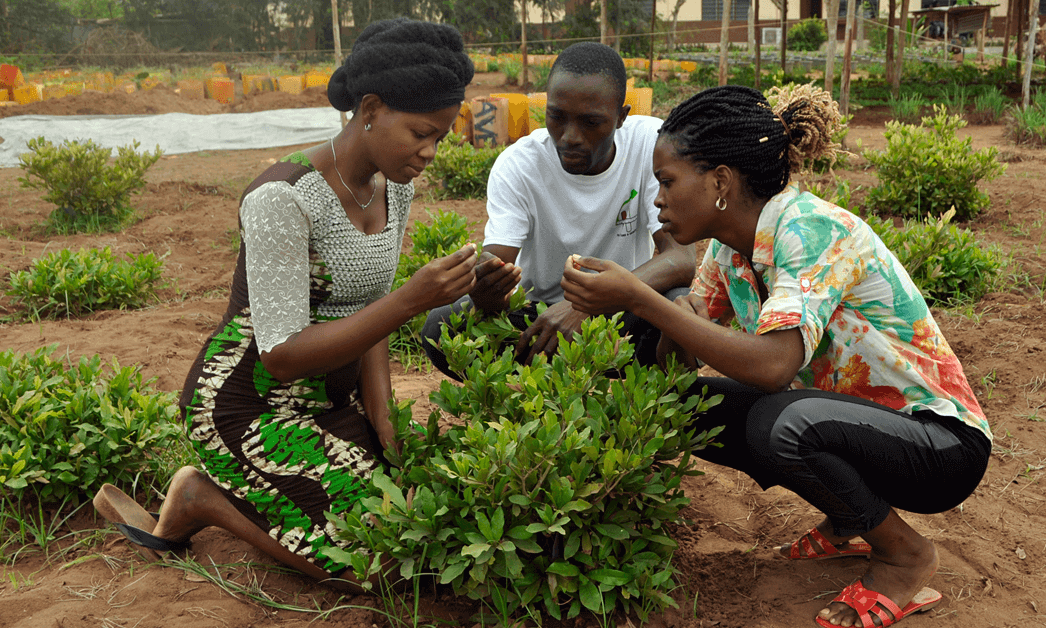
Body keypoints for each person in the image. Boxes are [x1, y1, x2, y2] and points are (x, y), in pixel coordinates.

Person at [561, 84, 992, 628]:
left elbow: (772, 366)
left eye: (667, 182)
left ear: (719, 181)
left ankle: (905, 555)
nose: (657, 199)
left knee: (778, 420)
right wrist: (667, 314)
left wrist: (640, 297)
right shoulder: (728, 249)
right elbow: (684, 360)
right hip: (854, 427)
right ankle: (847, 522)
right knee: (689, 405)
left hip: (939, 446)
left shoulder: (808, 229)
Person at [92, 18, 478, 591]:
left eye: (440, 138)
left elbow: (369, 317)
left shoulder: (394, 186)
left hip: (328, 401)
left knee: (427, 531)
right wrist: (410, 301)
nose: (429, 152)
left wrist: (387, 428)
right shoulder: (282, 197)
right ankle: (201, 498)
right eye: (421, 132)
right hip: (250, 408)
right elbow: (281, 355)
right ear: (370, 108)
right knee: (381, 566)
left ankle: (237, 491)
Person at [421, 41, 695, 376]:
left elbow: (681, 257)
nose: (569, 137)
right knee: (443, 326)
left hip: (622, 309)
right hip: (539, 319)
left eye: (590, 122)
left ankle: (653, 414)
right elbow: (498, 261)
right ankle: (528, 404)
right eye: (556, 117)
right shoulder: (520, 164)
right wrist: (487, 293)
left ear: (622, 117)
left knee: (681, 306)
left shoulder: (649, 145)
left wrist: (589, 306)